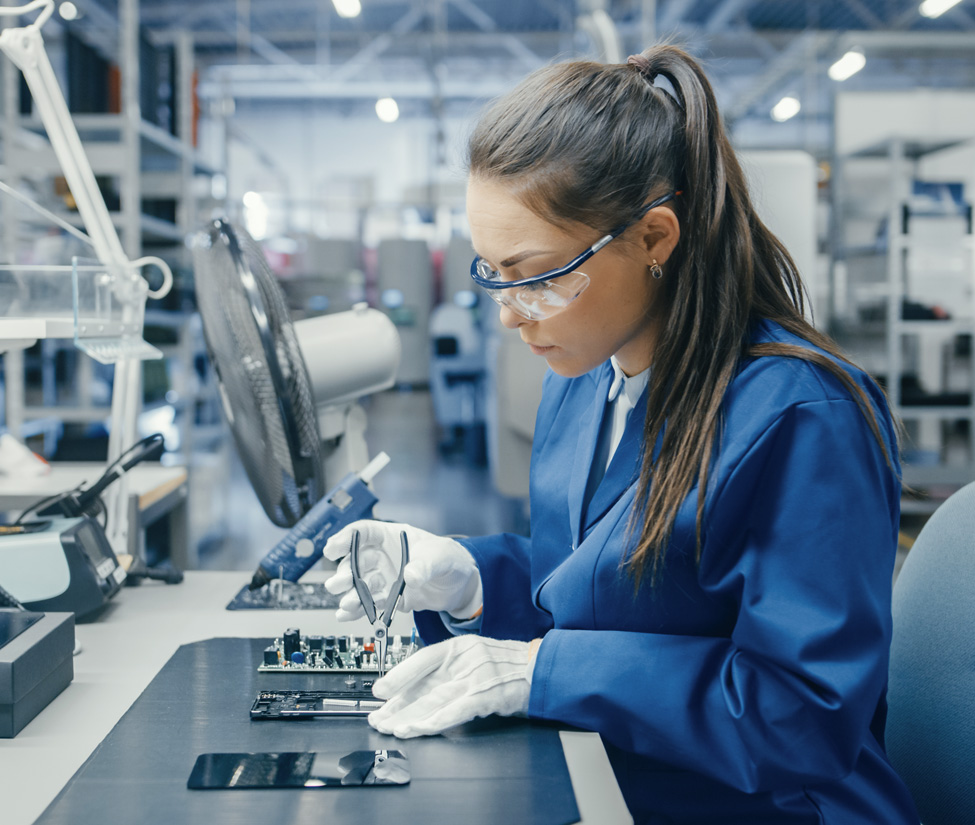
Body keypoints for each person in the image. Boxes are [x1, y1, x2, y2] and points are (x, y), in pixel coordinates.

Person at [322, 45, 922, 823]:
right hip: (617, 776)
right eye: (489, 270)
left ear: (654, 239)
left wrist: (538, 673)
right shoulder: (584, 380)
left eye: (533, 274)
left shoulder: (803, 417)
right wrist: (468, 578)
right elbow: (594, 594)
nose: (509, 313)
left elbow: (798, 715)